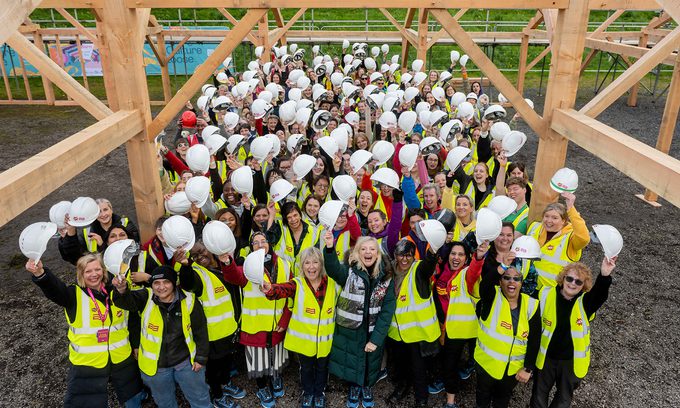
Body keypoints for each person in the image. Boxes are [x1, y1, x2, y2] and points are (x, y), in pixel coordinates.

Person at [26, 254, 145, 407]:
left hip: (121, 358)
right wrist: (40, 274)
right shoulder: (72, 295)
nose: (94, 274)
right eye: (88, 271)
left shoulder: (116, 292)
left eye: (97, 269)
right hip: (87, 364)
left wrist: (135, 344)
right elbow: (54, 289)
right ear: (81, 274)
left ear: (103, 271)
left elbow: (133, 316)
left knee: (133, 399)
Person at [530, 257, 616, 408]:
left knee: (563, 399)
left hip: (571, 361)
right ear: (562, 279)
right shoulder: (544, 294)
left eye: (578, 281)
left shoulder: (586, 303)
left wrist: (604, 275)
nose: (572, 283)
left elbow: (600, 295)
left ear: (583, 286)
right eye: (569, 278)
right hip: (546, 357)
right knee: (538, 396)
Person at [323, 234, 396, 408]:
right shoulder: (348, 272)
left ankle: (367, 386)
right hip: (351, 329)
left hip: (372, 329)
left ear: (378, 254)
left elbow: (387, 310)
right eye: (363, 249)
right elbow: (332, 269)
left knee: (371, 361)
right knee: (352, 360)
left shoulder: (386, 278)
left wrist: (376, 339)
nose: (368, 252)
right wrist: (329, 248)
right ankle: (355, 387)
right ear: (356, 253)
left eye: (372, 249)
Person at [222, 232, 292, 408]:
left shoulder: (285, 264)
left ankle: (276, 379)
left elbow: (291, 295)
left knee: (276, 358)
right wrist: (227, 263)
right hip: (255, 327)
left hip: (277, 326)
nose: (260, 245)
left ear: (269, 244)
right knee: (258, 363)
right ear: (251, 247)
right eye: (255, 242)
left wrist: (285, 321)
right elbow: (233, 276)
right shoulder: (247, 266)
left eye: (263, 241)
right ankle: (262, 387)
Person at [262, 248, 339, 408]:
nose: (311, 267)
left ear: (321, 264)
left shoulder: (332, 284)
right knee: (306, 369)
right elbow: (281, 290)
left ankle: (319, 393)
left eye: (315, 262)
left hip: (325, 341)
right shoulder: (297, 284)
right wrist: (270, 289)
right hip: (304, 343)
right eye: (307, 263)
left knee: (322, 368)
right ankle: (308, 392)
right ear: (302, 266)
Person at [176, 244, 246, 408]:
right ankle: (218, 395)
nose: (199, 257)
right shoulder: (197, 273)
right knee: (214, 369)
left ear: (210, 249)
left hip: (230, 329)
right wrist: (186, 265)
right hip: (212, 334)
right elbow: (188, 283)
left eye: (201, 251)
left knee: (226, 363)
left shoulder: (221, 267)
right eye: (194, 256)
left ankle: (226, 383)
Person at [474, 258, 541, 408]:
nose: (512, 282)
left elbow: (535, 339)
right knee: (482, 398)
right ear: (500, 281)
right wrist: (502, 265)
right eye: (507, 277)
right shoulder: (492, 297)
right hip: (486, 365)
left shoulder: (532, 305)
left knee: (502, 400)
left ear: (521, 282)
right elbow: (485, 284)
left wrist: (528, 368)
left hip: (512, 370)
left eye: (516, 278)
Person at [385, 239, 439, 408]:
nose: (405, 259)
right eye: (401, 255)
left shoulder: (419, 270)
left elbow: (429, 265)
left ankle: (421, 399)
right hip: (396, 331)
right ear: (395, 255)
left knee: (418, 368)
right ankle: (402, 388)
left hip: (416, 332)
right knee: (400, 365)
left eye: (409, 255)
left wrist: (433, 251)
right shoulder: (389, 270)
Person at [433, 241, 486, 408]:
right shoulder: (441, 271)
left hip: (468, 329)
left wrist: (479, 257)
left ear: (467, 258)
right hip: (450, 328)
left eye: (461, 254)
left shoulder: (466, 274)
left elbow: (474, 271)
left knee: (475, 364)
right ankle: (450, 402)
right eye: (453, 254)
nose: (456, 257)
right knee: (449, 365)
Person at [526, 194, 590, 290]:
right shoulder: (535, 227)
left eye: (554, 218)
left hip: (551, 291)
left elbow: (584, 238)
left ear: (564, 221)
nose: (549, 220)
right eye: (546, 216)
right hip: (527, 286)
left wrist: (571, 209)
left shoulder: (570, 237)